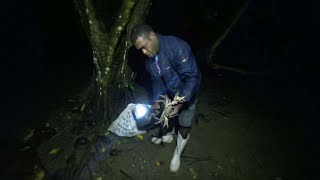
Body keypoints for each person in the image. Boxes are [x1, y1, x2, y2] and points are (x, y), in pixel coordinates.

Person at [130, 24, 201, 172]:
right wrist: (156, 100)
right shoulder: (149, 61)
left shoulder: (177, 46)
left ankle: (177, 154)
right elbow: (157, 81)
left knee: (184, 125)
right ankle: (167, 134)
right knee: (165, 114)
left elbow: (193, 78)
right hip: (170, 91)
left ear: (152, 36)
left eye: (144, 46)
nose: (144, 52)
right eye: (140, 50)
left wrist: (181, 102)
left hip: (188, 93)